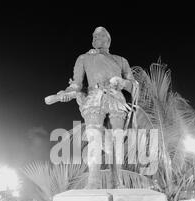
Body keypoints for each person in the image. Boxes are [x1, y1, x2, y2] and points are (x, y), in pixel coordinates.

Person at [60, 27, 139, 188]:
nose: (97, 37)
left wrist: (122, 82)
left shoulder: (121, 60)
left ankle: (117, 181)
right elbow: (76, 84)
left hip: (116, 99)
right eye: (94, 35)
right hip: (94, 98)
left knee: (117, 140)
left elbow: (134, 85)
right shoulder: (83, 58)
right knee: (94, 137)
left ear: (108, 40)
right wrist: (67, 92)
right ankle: (93, 181)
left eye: (101, 35)